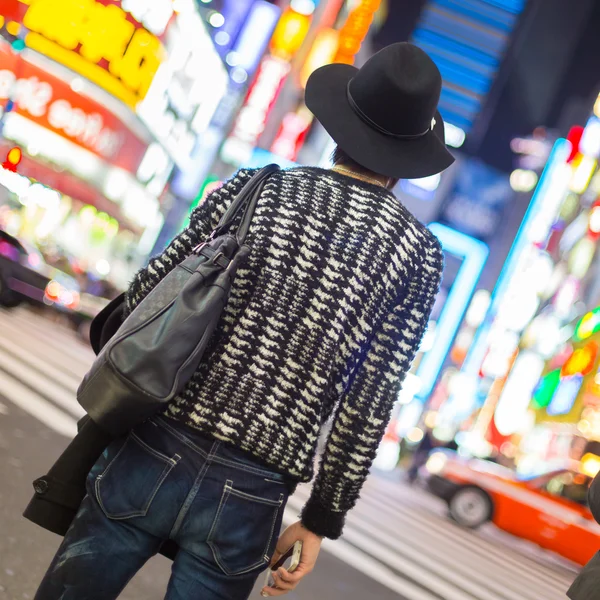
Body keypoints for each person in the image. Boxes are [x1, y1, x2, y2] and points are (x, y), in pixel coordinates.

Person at [34, 42, 453, 600]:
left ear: (341, 125)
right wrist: (322, 520)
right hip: (253, 491)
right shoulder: (417, 257)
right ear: (411, 155)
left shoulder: (261, 187)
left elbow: (148, 292)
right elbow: (369, 404)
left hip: (159, 436)